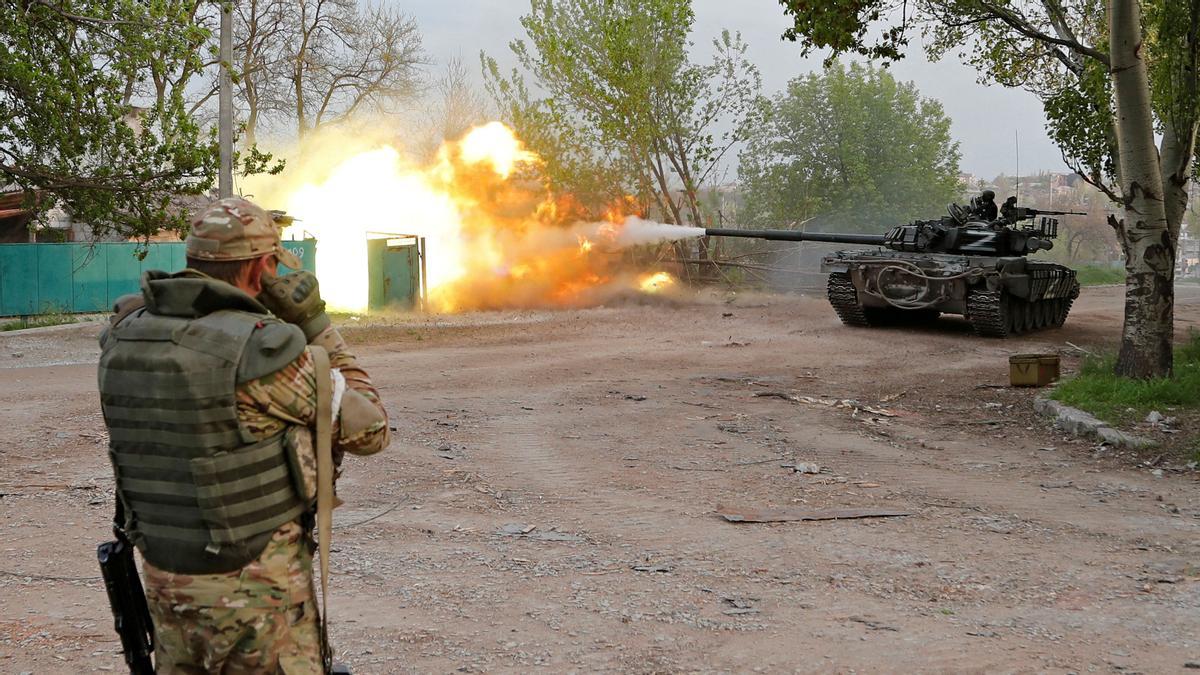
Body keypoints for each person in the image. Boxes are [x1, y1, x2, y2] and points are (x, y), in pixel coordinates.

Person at [97, 197, 389, 673]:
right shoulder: (263, 352)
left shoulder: (125, 336)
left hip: (166, 583)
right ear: (262, 268)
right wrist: (315, 325)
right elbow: (372, 429)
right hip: (258, 596)